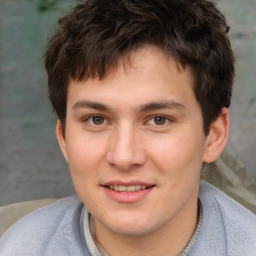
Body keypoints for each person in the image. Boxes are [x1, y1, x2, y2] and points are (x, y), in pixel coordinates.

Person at [0, 0, 256, 255]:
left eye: (159, 119)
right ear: (64, 138)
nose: (124, 157)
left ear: (213, 135)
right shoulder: (19, 247)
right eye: (96, 120)